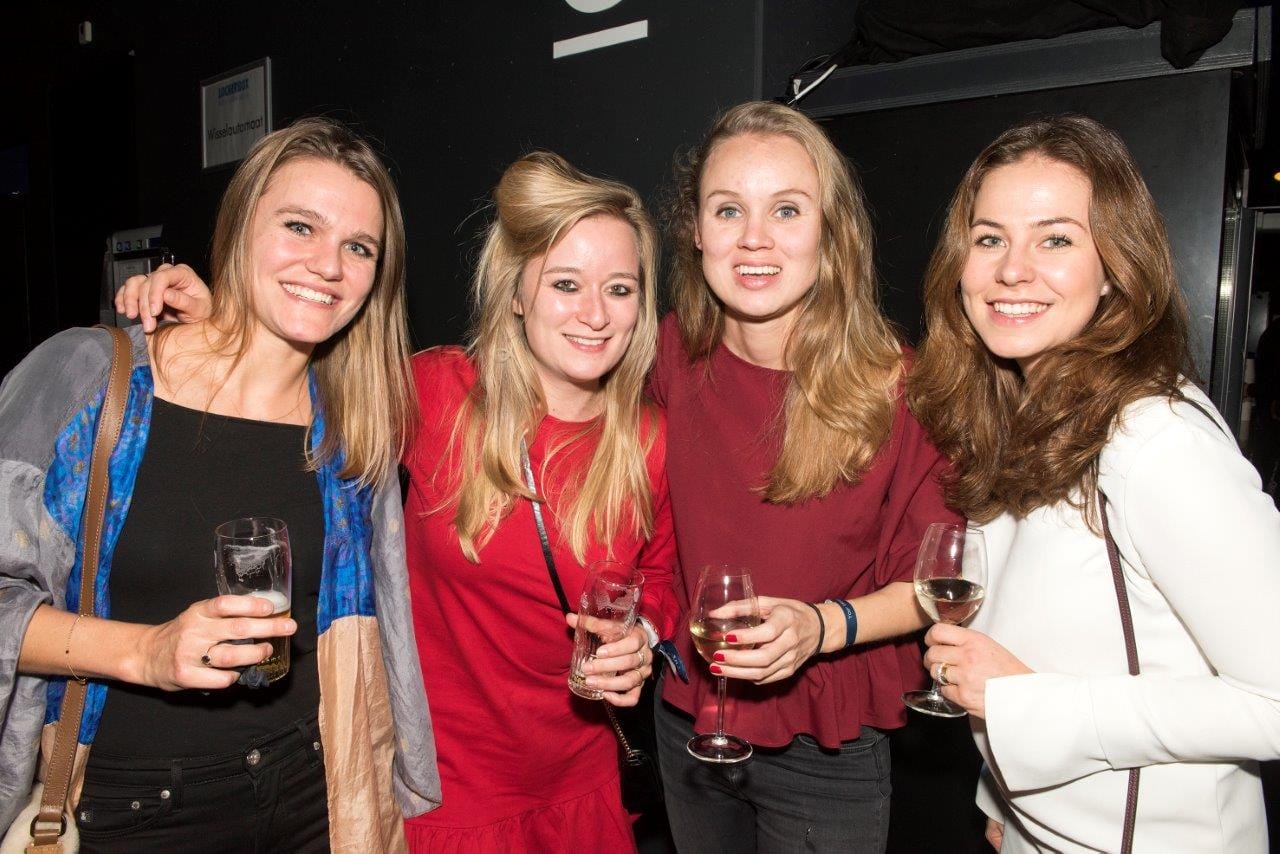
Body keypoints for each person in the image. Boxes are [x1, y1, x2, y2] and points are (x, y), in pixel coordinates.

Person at [112, 151, 680, 852]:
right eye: (566, 283)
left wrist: (641, 635)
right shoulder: (436, 394)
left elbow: (662, 575)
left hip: (581, 784)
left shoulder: (652, 441)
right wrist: (224, 326)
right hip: (447, 790)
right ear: (516, 294)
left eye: (620, 289)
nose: (595, 314)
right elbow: (301, 384)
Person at [0, 118, 440, 852]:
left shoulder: (352, 428)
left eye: (358, 247)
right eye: (300, 226)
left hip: (318, 796)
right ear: (240, 228)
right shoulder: (88, 380)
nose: (328, 266)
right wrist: (145, 652)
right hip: (132, 811)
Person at [909, 115, 1280, 852]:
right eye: (989, 238)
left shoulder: (1155, 441)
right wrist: (1003, 798)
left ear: (1114, 267)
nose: (1012, 270)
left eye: (1055, 239)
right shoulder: (1014, 412)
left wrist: (1025, 707)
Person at [650, 100, 959, 852]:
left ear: (831, 231)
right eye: (729, 209)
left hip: (827, 746)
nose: (754, 238)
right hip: (687, 721)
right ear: (697, 231)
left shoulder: (899, 386)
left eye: (786, 209)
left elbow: (936, 588)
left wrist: (821, 626)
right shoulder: (665, 356)